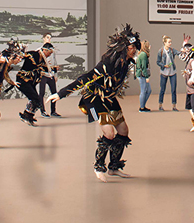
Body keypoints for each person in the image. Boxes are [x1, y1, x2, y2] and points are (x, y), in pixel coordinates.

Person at [50, 25, 140, 181]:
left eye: (134, 46)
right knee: (109, 133)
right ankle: (98, 166)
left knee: (123, 130)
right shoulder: (108, 63)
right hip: (93, 98)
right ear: (124, 48)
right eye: (131, 47)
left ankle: (113, 167)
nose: (134, 49)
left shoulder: (126, 62)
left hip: (109, 97)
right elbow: (86, 77)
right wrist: (61, 93)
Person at [14, 43, 55, 125]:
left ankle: (29, 116)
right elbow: (21, 56)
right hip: (22, 80)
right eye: (49, 53)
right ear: (45, 50)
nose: (50, 55)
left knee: (37, 100)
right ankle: (26, 115)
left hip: (30, 82)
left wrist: (54, 69)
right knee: (35, 99)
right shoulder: (32, 54)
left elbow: (43, 68)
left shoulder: (43, 60)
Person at [37, 38, 61, 118]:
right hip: (43, 75)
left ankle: (53, 111)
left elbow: (54, 62)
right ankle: (42, 111)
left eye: (50, 38)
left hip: (51, 75)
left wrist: (55, 73)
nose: (49, 39)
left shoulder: (52, 52)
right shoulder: (38, 52)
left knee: (54, 93)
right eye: (47, 37)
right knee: (42, 93)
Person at [156, 35, 180, 111]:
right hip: (164, 72)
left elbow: (179, 53)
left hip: (172, 72)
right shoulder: (161, 51)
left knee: (173, 89)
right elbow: (158, 62)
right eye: (169, 42)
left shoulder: (172, 50)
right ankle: (160, 105)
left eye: (170, 42)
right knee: (162, 89)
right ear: (164, 43)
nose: (170, 43)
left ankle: (174, 105)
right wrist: (164, 65)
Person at [135, 38, 153, 113]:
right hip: (142, 75)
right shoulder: (143, 55)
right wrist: (147, 77)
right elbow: (143, 67)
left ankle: (143, 105)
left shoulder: (142, 54)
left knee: (148, 90)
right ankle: (142, 107)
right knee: (144, 91)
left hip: (142, 74)